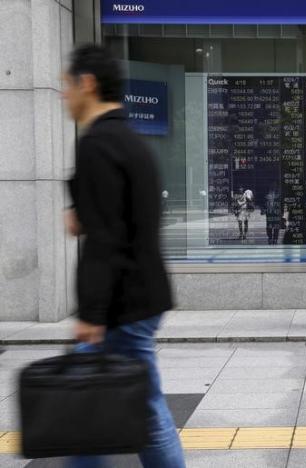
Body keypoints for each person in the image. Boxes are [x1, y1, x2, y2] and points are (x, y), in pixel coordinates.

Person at [63, 44, 185, 467]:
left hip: (123, 303)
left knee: (144, 412)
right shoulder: (133, 141)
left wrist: (92, 314)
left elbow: (107, 238)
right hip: (141, 294)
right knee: (95, 405)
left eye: (67, 86)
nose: (64, 96)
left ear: (88, 84)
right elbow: (135, 215)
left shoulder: (98, 144)